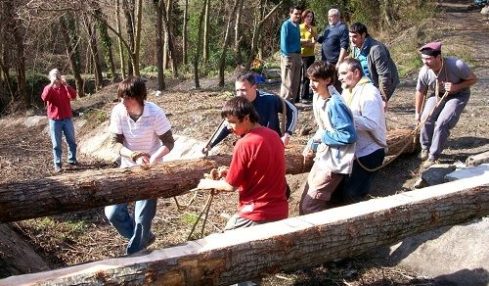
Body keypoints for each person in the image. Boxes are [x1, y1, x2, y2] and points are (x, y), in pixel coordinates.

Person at [105, 76, 175, 255]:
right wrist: (133, 156)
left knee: (141, 219)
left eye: (127, 98)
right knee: (113, 213)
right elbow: (115, 143)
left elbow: (168, 142)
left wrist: (153, 159)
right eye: (121, 97)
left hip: (150, 171)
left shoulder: (154, 113)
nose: (123, 102)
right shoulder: (119, 112)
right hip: (127, 168)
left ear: (139, 97)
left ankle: (135, 254)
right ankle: (142, 240)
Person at [299, 61, 356, 215]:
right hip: (324, 156)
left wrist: (324, 137)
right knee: (305, 198)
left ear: (328, 80)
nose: (312, 84)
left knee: (310, 206)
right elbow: (324, 126)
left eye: (316, 80)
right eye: (310, 79)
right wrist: (312, 143)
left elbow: (349, 136)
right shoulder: (318, 97)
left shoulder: (334, 104)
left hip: (335, 162)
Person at [414, 42, 477, 168]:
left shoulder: (456, 65)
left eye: (428, 59)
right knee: (426, 117)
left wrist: (456, 86)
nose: (425, 62)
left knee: (442, 123)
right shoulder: (424, 72)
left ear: (438, 57)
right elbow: (420, 91)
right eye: (423, 59)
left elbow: (473, 79)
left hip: (459, 95)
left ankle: (433, 156)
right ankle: (425, 148)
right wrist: (417, 112)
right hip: (438, 94)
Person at [203, 72, 298, 153]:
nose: (240, 94)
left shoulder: (270, 99)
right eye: (237, 90)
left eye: (243, 90)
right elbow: (226, 125)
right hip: (249, 147)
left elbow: (292, 110)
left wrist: (287, 134)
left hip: (272, 145)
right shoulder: (237, 104)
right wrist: (210, 145)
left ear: (254, 87)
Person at [337, 58, 387, 202]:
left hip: (370, 151)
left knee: (351, 195)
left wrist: (347, 117)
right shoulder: (347, 90)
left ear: (356, 72)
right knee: (335, 194)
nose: (339, 77)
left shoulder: (369, 92)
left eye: (344, 73)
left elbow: (371, 123)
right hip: (353, 151)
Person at [349, 22, 399, 104]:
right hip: (365, 84)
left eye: (355, 36)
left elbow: (384, 76)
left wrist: (383, 98)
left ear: (363, 35)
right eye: (350, 36)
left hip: (381, 83)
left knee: (373, 109)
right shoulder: (355, 46)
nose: (351, 40)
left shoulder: (376, 50)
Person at [41, 68, 78, 173]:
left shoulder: (64, 87)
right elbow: (44, 98)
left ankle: (72, 160)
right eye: (54, 75)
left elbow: (74, 96)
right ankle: (57, 164)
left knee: (71, 140)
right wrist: (51, 84)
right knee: (56, 143)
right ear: (50, 77)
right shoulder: (48, 88)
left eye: (57, 75)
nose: (56, 77)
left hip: (67, 118)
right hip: (54, 120)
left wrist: (66, 85)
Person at [280, 6, 303, 102]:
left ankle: (291, 103)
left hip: (297, 55)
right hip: (288, 56)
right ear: (290, 14)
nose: (298, 16)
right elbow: (283, 42)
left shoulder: (297, 25)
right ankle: (283, 104)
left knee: (295, 81)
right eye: (296, 14)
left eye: (299, 14)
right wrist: (287, 55)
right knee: (287, 81)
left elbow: (297, 41)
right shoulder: (286, 25)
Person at [299, 9, 317, 103]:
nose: (309, 18)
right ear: (303, 17)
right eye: (307, 16)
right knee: (299, 76)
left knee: (308, 76)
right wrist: (307, 42)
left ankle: (305, 96)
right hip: (301, 55)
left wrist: (311, 34)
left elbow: (314, 41)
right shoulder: (299, 27)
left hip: (310, 55)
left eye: (311, 16)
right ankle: (298, 96)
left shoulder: (314, 28)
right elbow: (298, 41)